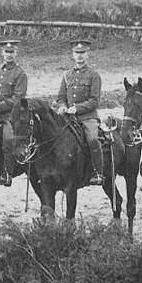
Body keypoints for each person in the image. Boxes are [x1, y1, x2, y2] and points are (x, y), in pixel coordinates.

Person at [57, 39, 104, 186]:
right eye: (77, 53)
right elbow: (61, 97)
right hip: (68, 118)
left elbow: (94, 101)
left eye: (82, 53)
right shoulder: (66, 75)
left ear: (88, 54)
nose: (80, 56)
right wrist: (63, 106)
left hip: (87, 117)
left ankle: (98, 172)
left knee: (92, 140)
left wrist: (76, 108)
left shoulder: (94, 75)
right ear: (72, 55)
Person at [0, 38, 28, 187]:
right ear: (2, 53)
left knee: (8, 140)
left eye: (12, 52)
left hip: (10, 116)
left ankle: (7, 172)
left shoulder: (20, 74)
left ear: (16, 53)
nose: (9, 55)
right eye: (6, 52)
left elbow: (18, 98)